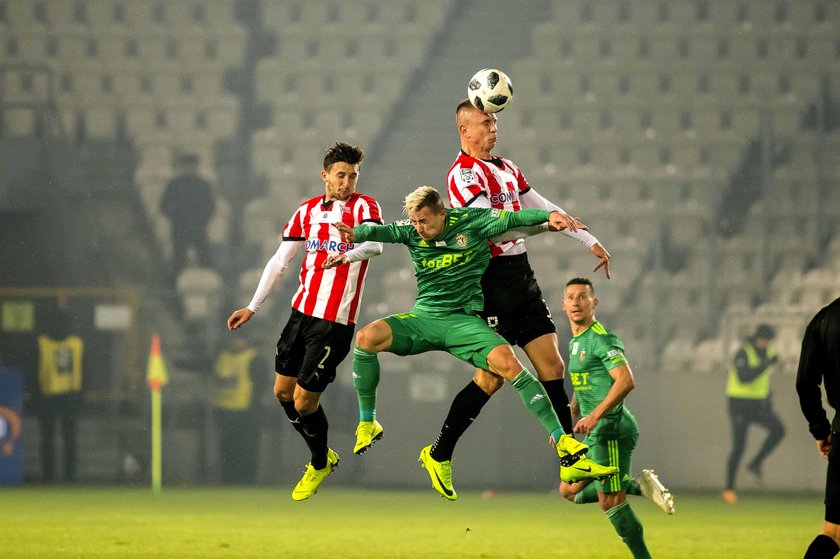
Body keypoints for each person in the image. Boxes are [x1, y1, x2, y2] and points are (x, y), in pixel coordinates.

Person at [336, 185, 617, 500]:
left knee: (512, 367)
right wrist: (356, 234)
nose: (419, 228)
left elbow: (517, 217)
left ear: (442, 213)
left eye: (425, 221)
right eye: (415, 222)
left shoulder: (473, 221)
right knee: (365, 338)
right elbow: (382, 231)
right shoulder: (412, 232)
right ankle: (368, 422)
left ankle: (564, 443)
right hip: (425, 318)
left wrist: (550, 215)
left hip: (464, 323)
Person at [423, 99, 613, 490]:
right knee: (491, 379)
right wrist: (545, 226)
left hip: (520, 277)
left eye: (494, 120)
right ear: (464, 130)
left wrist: (587, 239)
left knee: (552, 367)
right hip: (488, 281)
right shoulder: (462, 176)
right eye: (485, 122)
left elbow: (542, 206)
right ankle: (439, 453)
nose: (494, 127)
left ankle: (570, 459)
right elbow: (491, 229)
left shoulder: (507, 168)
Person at [227, 142, 383, 501]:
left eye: (353, 175)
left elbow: (376, 246)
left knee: (303, 402)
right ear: (325, 175)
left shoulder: (364, 206)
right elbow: (280, 261)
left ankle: (318, 462)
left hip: (335, 320)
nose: (346, 182)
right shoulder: (307, 211)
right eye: (341, 175)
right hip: (300, 314)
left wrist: (348, 254)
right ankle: (322, 455)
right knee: (281, 392)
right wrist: (252, 306)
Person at [556, 277, 672, 559]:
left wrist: (595, 415)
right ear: (563, 305)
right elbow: (585, 382)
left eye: (582, 297)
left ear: (594, 303)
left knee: (610, 502)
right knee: (568, 490)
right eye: (570, 297)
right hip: (598, 431)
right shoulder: (575, 342)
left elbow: (625, 380)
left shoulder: (600, 338)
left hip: (610, 430)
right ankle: (635, 485)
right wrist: (571, 411)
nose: (575, 302)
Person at [796, 297, 840, 558]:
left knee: (833, 532)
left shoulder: (824, 319)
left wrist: (821, 430)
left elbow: (804, 383)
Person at [723, 323, 786, 503]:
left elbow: (763, 380)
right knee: (739, 446)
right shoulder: (743, 352)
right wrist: (764, 365)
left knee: (779, 430)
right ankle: (729, 489)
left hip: (758, 404)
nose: (765, 343)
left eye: (768, 340)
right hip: (739, 404)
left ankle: (756, 463)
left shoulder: (770, 354)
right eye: (763, 339)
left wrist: (767, 397)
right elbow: (744, 378)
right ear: (756, 338)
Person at [212, 335, 266, 484]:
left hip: (247, 413)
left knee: (247, 447)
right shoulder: (222, 358)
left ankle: (247, 479)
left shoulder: (254, 359)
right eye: (234, 340)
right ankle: (229, 479)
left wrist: (255, 407)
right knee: (227, 448)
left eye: (239, 339)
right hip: (225, 411)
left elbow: (261, 384)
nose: (236, 343)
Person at [36, 310, 83, 482]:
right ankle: (61, 476)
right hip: (57, 397)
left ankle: (57, 476)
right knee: (60, 438)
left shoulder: (43, 343)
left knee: (56, 438)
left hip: (57, 396)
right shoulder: (75, 343)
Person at [161, 153, 216, 273]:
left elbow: (210, 207)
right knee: (178, 260)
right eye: (188, 166)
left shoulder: (203, 185)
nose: (191, 169)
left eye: (193, 166)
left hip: (198, 227)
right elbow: (164, 206)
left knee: (204, 258)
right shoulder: (174, 185)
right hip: (179, 228)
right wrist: (176, 217)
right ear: (182, 167)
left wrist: (202, 220)